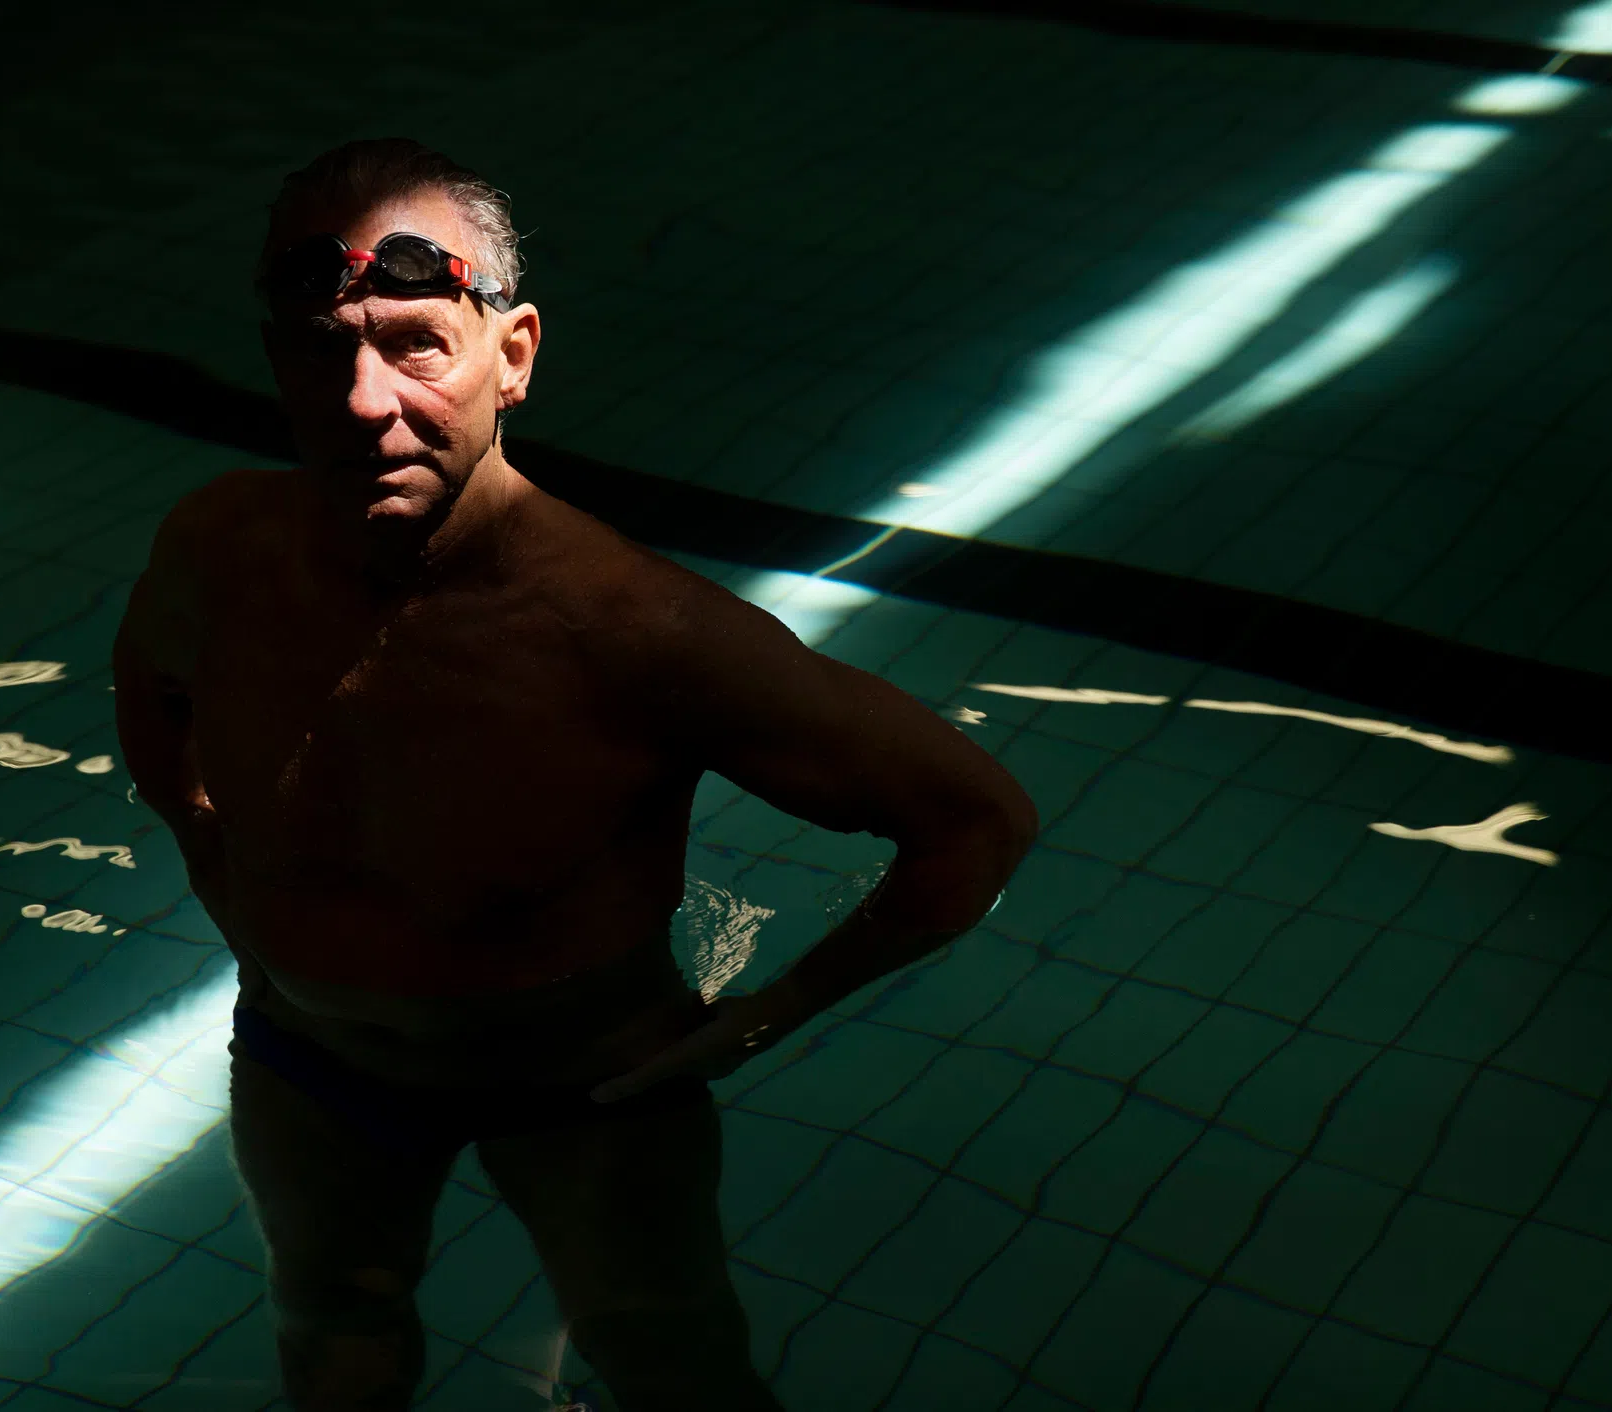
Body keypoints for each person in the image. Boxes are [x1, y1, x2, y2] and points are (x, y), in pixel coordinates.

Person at [111, 137, 1038, 1411]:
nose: (365, 399)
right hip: (309, 1056)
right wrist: (205, 849)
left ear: (515, 354)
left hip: (582, 1092)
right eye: (324, 349)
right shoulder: (218, 545)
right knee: (330, 1323)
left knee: (670, 1368)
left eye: (416, 344)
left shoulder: (636, 633)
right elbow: (151, 685)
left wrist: (768, 1012)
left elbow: (975, 821)